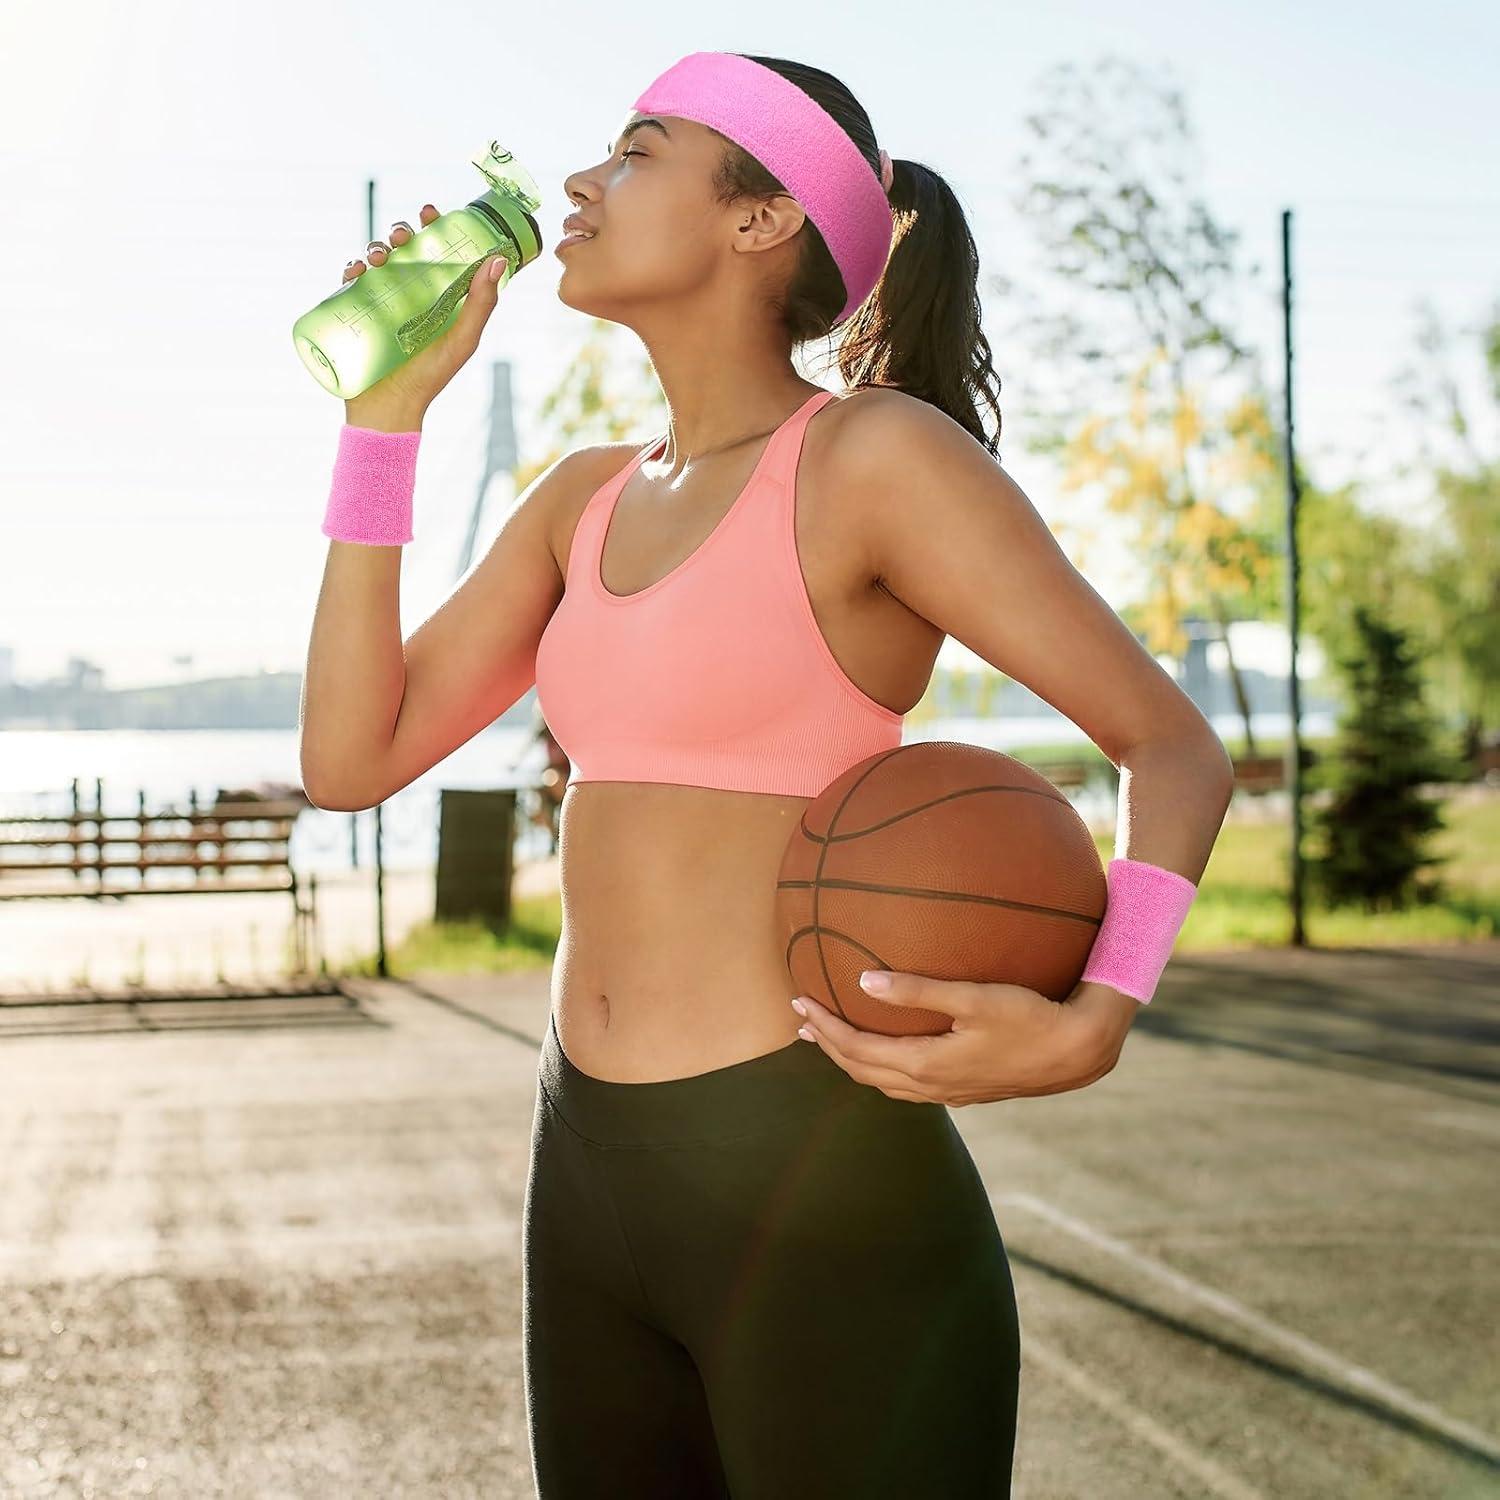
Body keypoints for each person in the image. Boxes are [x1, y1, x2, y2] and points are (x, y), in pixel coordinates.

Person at [302, 49, 1234, 1499]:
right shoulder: (578, 498)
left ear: (760, 221)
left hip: (820, 1180)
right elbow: (350, 758)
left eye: (638, 150)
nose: (579, 184)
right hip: (586, 1164)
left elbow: (1171, 748)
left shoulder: (874, 459)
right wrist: (384, 422)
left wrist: (1102, 1011)